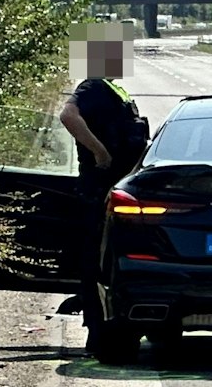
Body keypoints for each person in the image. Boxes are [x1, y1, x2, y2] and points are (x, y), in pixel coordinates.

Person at [54, 23, 149, 317]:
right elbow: (68, 115)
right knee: (96, 256)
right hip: (99, 184)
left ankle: (102, 316)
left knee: (106, 254)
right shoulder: (92, 85)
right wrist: (99, 152)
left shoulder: (110, 88)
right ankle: (95, 325)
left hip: (114, 183)